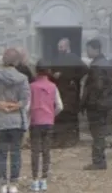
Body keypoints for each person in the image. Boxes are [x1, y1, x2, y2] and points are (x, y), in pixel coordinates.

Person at [0, 48, 31, 193]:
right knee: (15, 152)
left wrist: (0, 104)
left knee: (1, 152)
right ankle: (13, 184)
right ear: (17, 61)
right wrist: (13, 106)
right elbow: (25, 100)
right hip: (16, 121)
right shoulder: (23, 78)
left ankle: (2, 184)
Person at [80, 39, 112, 170]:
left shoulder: (97, 66)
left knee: (97, 133)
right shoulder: (105, 63)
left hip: (97, 105)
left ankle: (98, 161)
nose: (87, 52)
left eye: (88, 49)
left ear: (95, 49)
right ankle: (100, 160)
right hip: (104, 104)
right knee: (100, 132)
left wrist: (90, 102)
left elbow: (97, 87)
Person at [29, 60, 63, 192]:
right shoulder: (53, 86)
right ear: (49, 72)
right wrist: (51, 115)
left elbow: (27, 106)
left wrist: (28, 120)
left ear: (36, 71)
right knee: (46, 151)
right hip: (48, 122)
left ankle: (34, 180)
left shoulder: (32, 86)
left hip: (35, 122)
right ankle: (43, 180)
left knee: (35, 151)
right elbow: (60, 106)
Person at [48, 38, 88, 148]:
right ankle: (59, 139)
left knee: (71, 115)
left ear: (67, 46)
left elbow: (84, 70)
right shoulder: (56, 59)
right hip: (59, 91)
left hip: (71, 92)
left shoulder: (74, 58)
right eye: (58, 47)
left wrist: (73, 79)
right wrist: (53, 75)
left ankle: (72, 139)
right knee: (60, 115)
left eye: (61, 47)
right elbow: (51, 71)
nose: (59, 49)